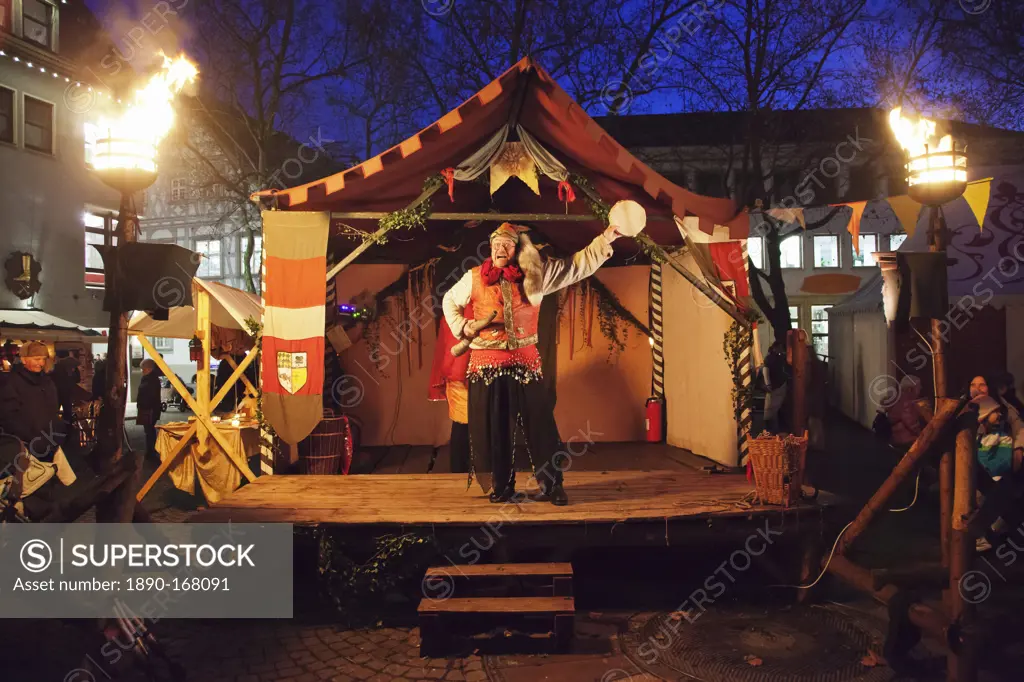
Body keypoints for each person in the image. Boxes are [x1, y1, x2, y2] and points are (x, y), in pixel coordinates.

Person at [442, 222, 623, 505]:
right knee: (495, 428)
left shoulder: (535, 274)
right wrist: (462, 326)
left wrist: (606, 238)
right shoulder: (474, 277)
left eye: (507, 244)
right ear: (490, 247)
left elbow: (575, 266)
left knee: (541, 426)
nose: (501, 249)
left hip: (525, 363)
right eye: (496, 244)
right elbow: (449, 300)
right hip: (485, 365)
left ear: (517, 249)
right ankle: (501, 487)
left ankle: (553, 485)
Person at [0, 342, 67, 461]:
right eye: (36, 359)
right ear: (24, 360)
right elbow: (9, 416)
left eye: (43, 359)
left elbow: (54, 409)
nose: (41, 363)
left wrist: (57, 433)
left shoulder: (48, 381)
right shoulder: (12, 383)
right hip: (28, 445)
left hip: (51, 442)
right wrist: (30, 438)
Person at [761, 340, 791, 434]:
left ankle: (769, 430)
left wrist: (767, 384)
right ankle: (774, 430)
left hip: (773, 386)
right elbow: (767, 370)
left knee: (770, 409)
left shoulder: (770, 358)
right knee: (774, 409)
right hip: (777, 385)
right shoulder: (777, 358)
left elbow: (765, 370)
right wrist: (768, 383)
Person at [887, 375, 925, 447]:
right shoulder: (908, 404)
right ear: (910, 389)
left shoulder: (896, 399)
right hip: (907, 442)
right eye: (918, 387)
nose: (921, 388)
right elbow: (913, 426)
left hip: (895, 440)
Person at [136, 359, 163, 459]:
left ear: (149, 369)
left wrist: (143, 405)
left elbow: (149, 395)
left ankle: (151, 452)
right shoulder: (150, 378)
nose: (142, 371)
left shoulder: (150, 380)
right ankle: (151, 451)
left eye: (143, 369)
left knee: (149, 431)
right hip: (149, 408)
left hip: (149, 409)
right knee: (149, 431)